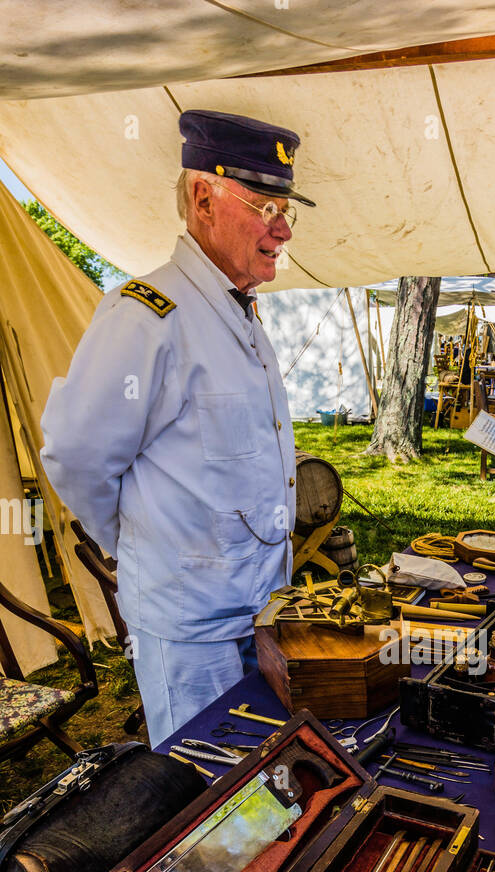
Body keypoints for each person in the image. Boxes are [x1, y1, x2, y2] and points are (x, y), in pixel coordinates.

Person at [41, 109, 316, 746]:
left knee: (260, 794)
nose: (282, 230)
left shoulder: (238, 314)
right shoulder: (146, 316)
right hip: (192, 632)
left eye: (287, 209)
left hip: (259, 616)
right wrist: (141, 544)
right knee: (205, 804)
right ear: (202, 198)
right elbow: (77, 458)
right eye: (264, 206)